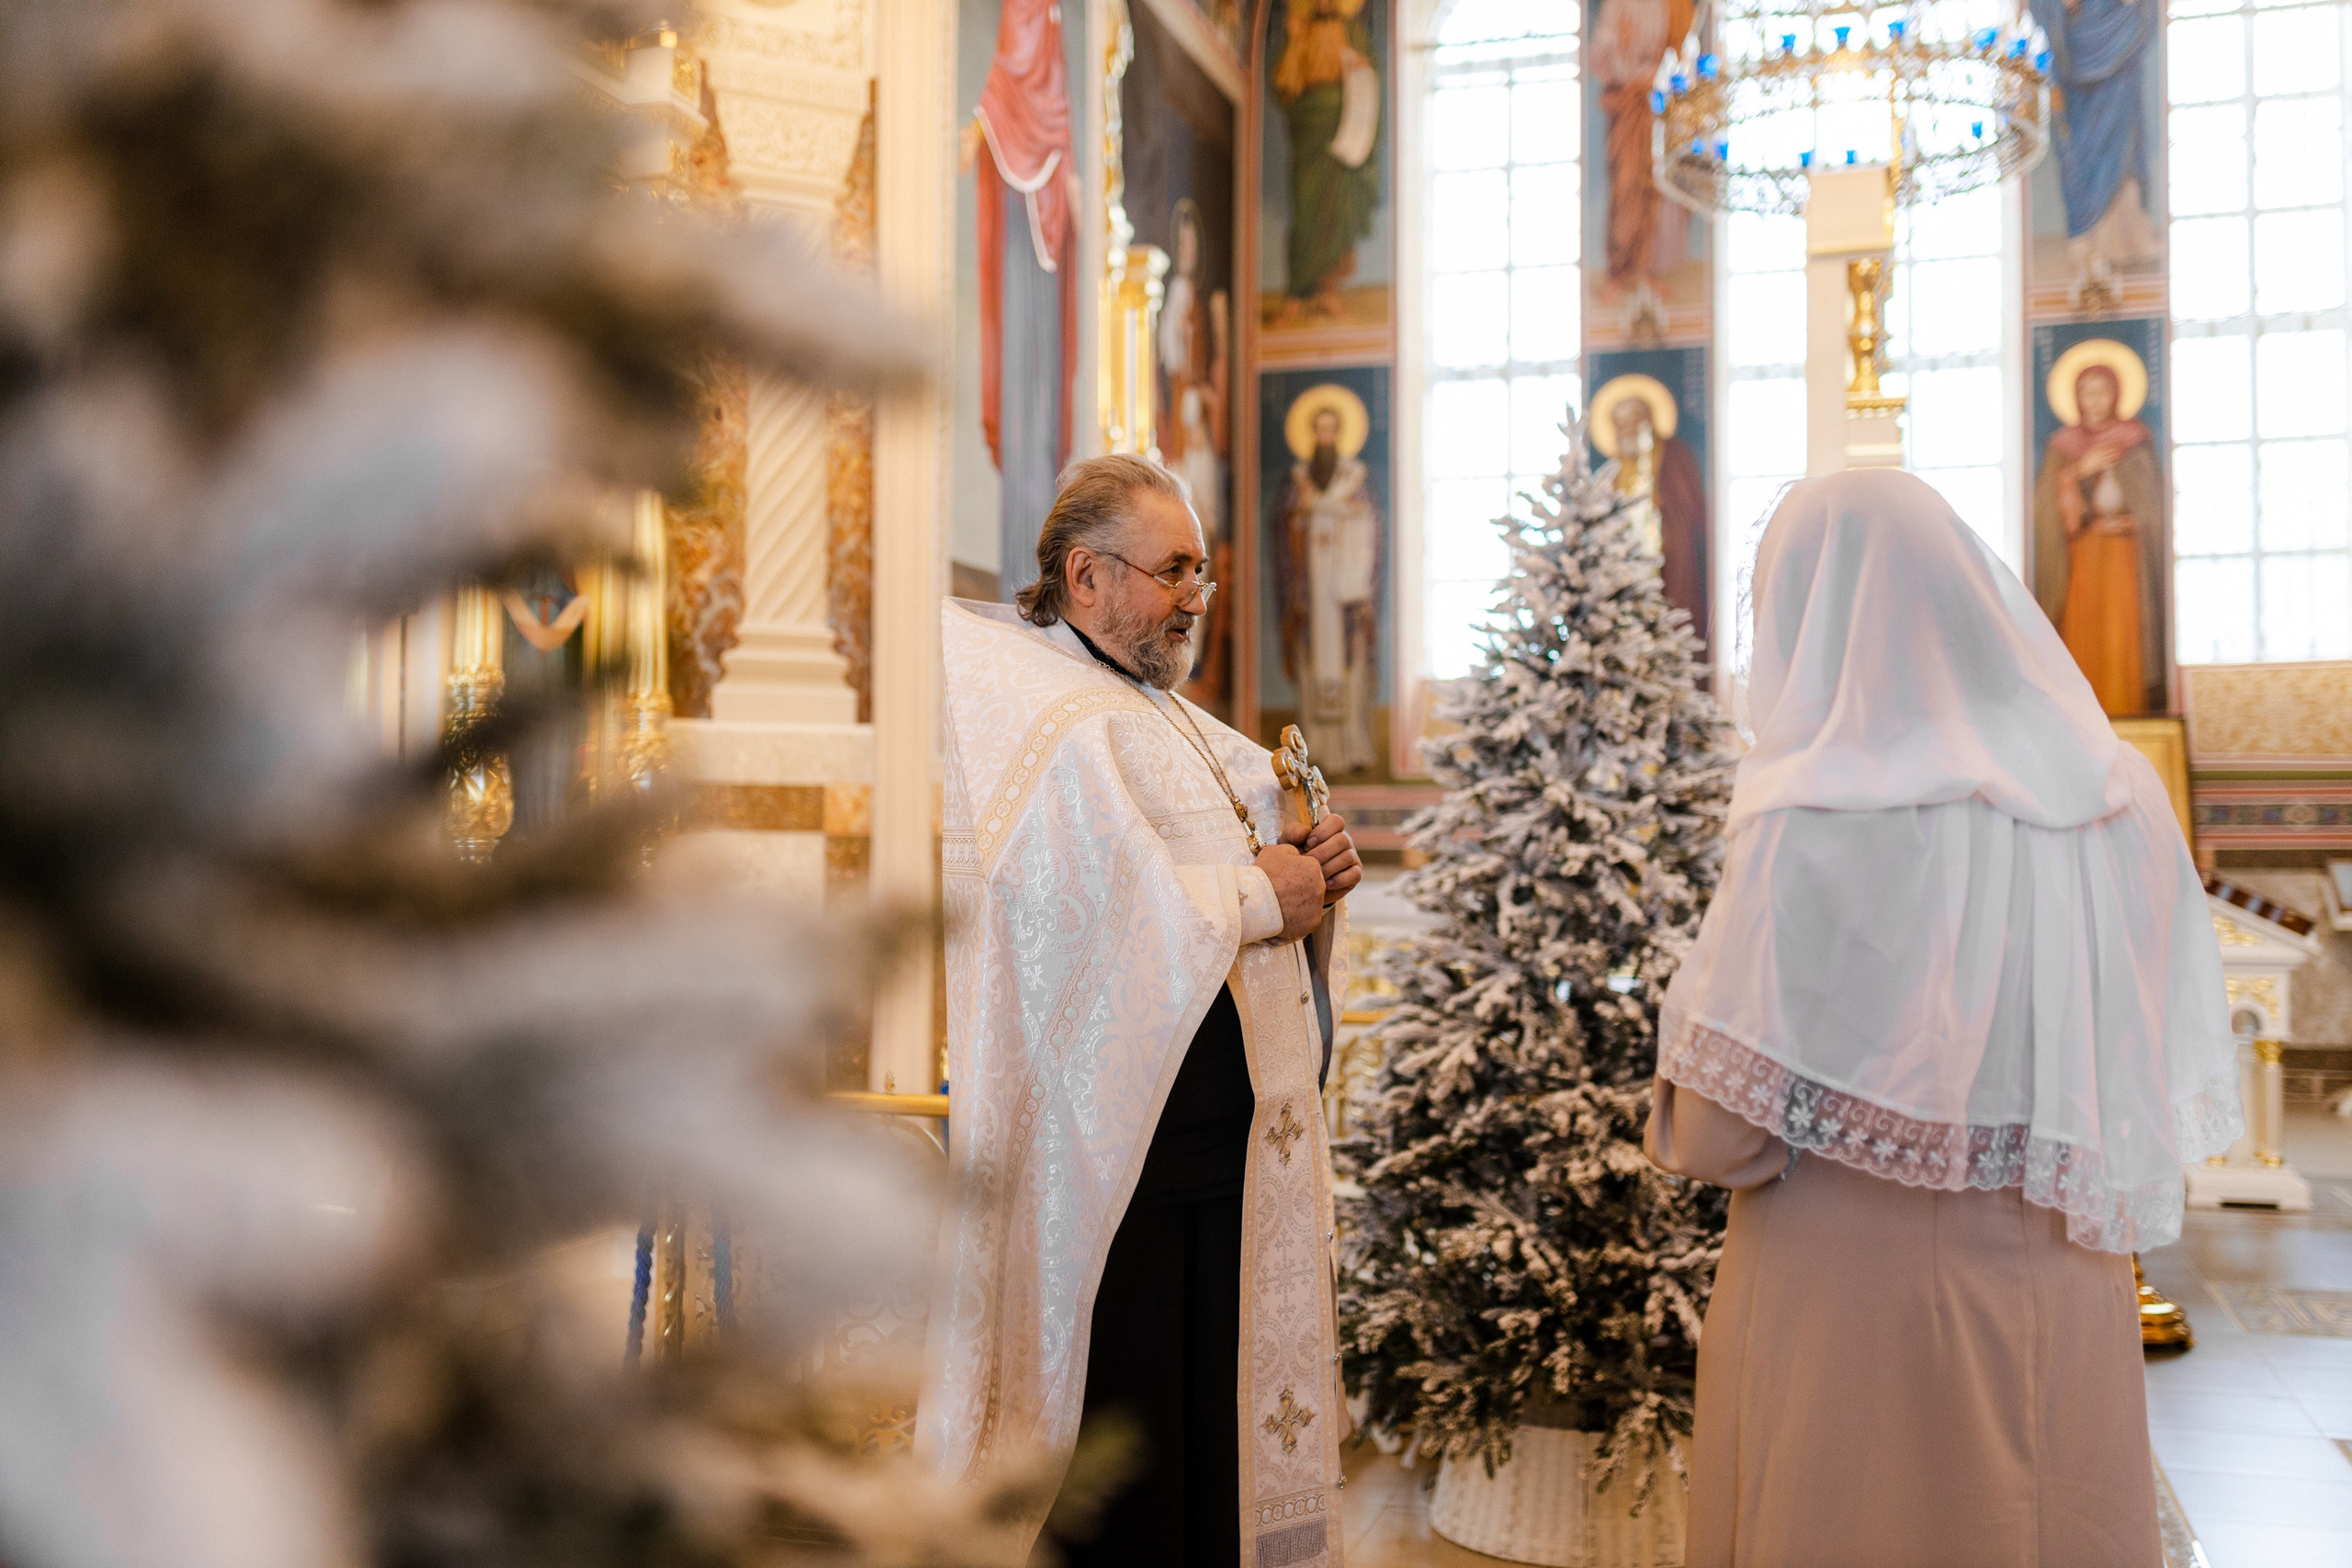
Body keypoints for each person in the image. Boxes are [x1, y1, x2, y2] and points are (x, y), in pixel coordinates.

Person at [1645, 468, 2239, 1568]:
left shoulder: (1806, 814)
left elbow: (1726, 1135)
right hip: (2066, 1286)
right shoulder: (2116, 795)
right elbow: (2142, 1054)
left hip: (1846, 1315)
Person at [921, 455, 1363, 1567]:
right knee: (1140, 1480)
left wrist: (1315, 874)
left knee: (1208, 1461)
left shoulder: (1160, 715)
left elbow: (1229, 884)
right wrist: (1269, 893)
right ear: (1085, 576)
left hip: (1225, 1156)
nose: (1197, 594)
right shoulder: (1057, 720)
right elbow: (1089, 929)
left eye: (1200, 569)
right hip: (1128, 1178)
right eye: (1174, 570)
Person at [2031, 357, 2165, 715]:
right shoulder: (2063, 446)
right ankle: (2084, 721)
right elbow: (2044, 509)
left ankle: (2129, 713)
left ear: (2116, 395)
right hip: (2082, 561)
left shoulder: (2135, 441)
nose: (2094, 401)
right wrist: (2077, 472)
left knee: (2123, 639)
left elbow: (2154, 506)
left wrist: (2132, 521)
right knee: (2085, 638)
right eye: (2086, 394)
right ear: (2076, 398)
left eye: (2102, 392)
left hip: (2125, 560)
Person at [1272, 393, 1383, 774]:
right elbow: (1283, 530)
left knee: (1351, 666)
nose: (1325, 437)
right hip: (1310, 595)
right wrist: (1299, 517)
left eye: (1331, 430)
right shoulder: (1298, 482)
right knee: (1311, 665)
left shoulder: (1356, 479)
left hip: (1346, 596)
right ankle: (1313, 749)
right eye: (1318, 431)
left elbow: (1373, 531)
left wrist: (1362, 583)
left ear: (1340, 435)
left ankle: (1353, 749)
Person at [1271, 0, 1381, 322]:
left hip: (1345, 125)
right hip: (1309, 131)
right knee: (1307, 212)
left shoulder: (1351, 33)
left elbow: (1370, 79)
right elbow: (1283, 82)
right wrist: (1293, 38)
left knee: (1338, 212)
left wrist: (1362, 70)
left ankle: (1327, 290)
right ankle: (1296, 293)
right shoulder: (1300, 32)